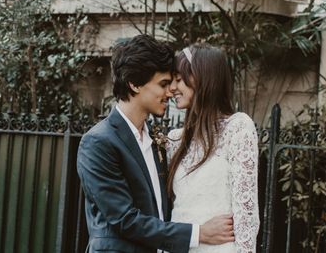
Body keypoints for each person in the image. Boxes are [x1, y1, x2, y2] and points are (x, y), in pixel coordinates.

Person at [77, 35, 236, 252]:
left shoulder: (159, 139)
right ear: (134, 84)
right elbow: (125, 219)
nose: (170, 91)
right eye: (163, 84)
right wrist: (199, 233)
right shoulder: (98, 142)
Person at [167, 45, 259, 253]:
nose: (172, 88)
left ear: (200, 79)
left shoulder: (238, 128)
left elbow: (246, 215)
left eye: (179, 79)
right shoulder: (174, 140)